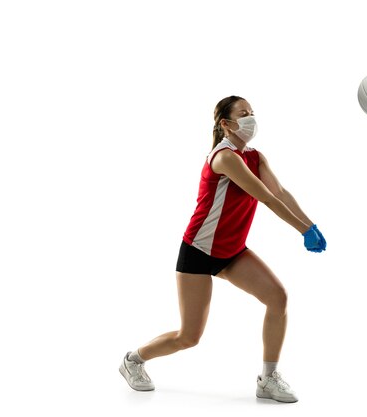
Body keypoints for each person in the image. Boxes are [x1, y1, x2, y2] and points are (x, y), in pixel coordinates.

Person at [119, 95, 326, 403]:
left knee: (277, 298)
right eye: (243, 114)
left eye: (252, 112)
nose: (251, 118)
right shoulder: (225, 157)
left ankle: (268, 379)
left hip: (232, 251)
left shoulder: (256, 156)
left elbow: (281, 191)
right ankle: (133, 360)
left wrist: (313, 225)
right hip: (199, 251)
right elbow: (267, 197)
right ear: (226, 124)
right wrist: (302, 230)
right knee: (189, 337)